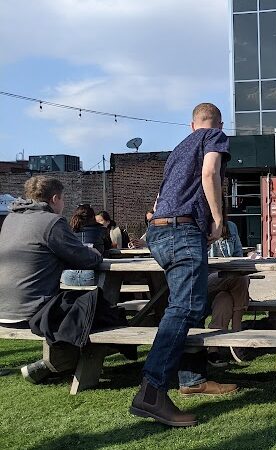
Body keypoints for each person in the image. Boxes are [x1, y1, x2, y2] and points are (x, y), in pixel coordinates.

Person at [129, 103, 237, 428]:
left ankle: (191, 379)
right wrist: (218, 220)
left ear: (192, 125)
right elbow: (210, 173)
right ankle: (152, 391)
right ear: (217, 123)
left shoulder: (178, 149)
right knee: (186, 306)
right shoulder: (214, 136)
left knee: (190, 300)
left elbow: (159, 198)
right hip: (182, 228)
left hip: (159, 230)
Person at [0, 176, 104, 383]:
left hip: (3, 309)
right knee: (96, 307)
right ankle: (58, 363)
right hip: (32, 312)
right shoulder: (52, 222)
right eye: (63, 199)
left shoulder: (10, 219)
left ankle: (55, 363)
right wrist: (97, 254)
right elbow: (84, 259)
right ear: (55, 198)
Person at [207, 219, 250, 366]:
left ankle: (213, 350)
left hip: (228, 279)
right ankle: (236, 335)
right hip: (206, 278)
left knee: (224, 299)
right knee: (241, 278)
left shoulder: (231, 226)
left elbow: (238, 255)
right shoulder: (201, 226)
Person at [61, 204, 110, 286]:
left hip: (69, 275)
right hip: (91, 275)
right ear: (93, 217)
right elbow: (108, 247)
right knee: (111, 279)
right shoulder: (102, 230)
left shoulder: (69, 231)